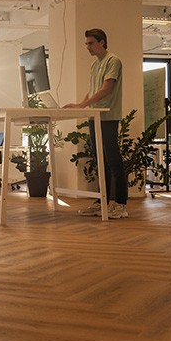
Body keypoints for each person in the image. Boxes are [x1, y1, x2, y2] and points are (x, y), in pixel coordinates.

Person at [64, 27, 128, 220]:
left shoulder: (113, 61)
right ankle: (102, 201)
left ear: (102, 42)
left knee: (113, 160)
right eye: (86, 44)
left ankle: (120, 204)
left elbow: (107, 89)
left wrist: (84, 104)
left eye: (91, 43)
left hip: (108, 117)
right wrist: (80, 105)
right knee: (100, 160)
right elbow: (93, 90)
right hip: (94, 117)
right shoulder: (95, 65)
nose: (88, 47)